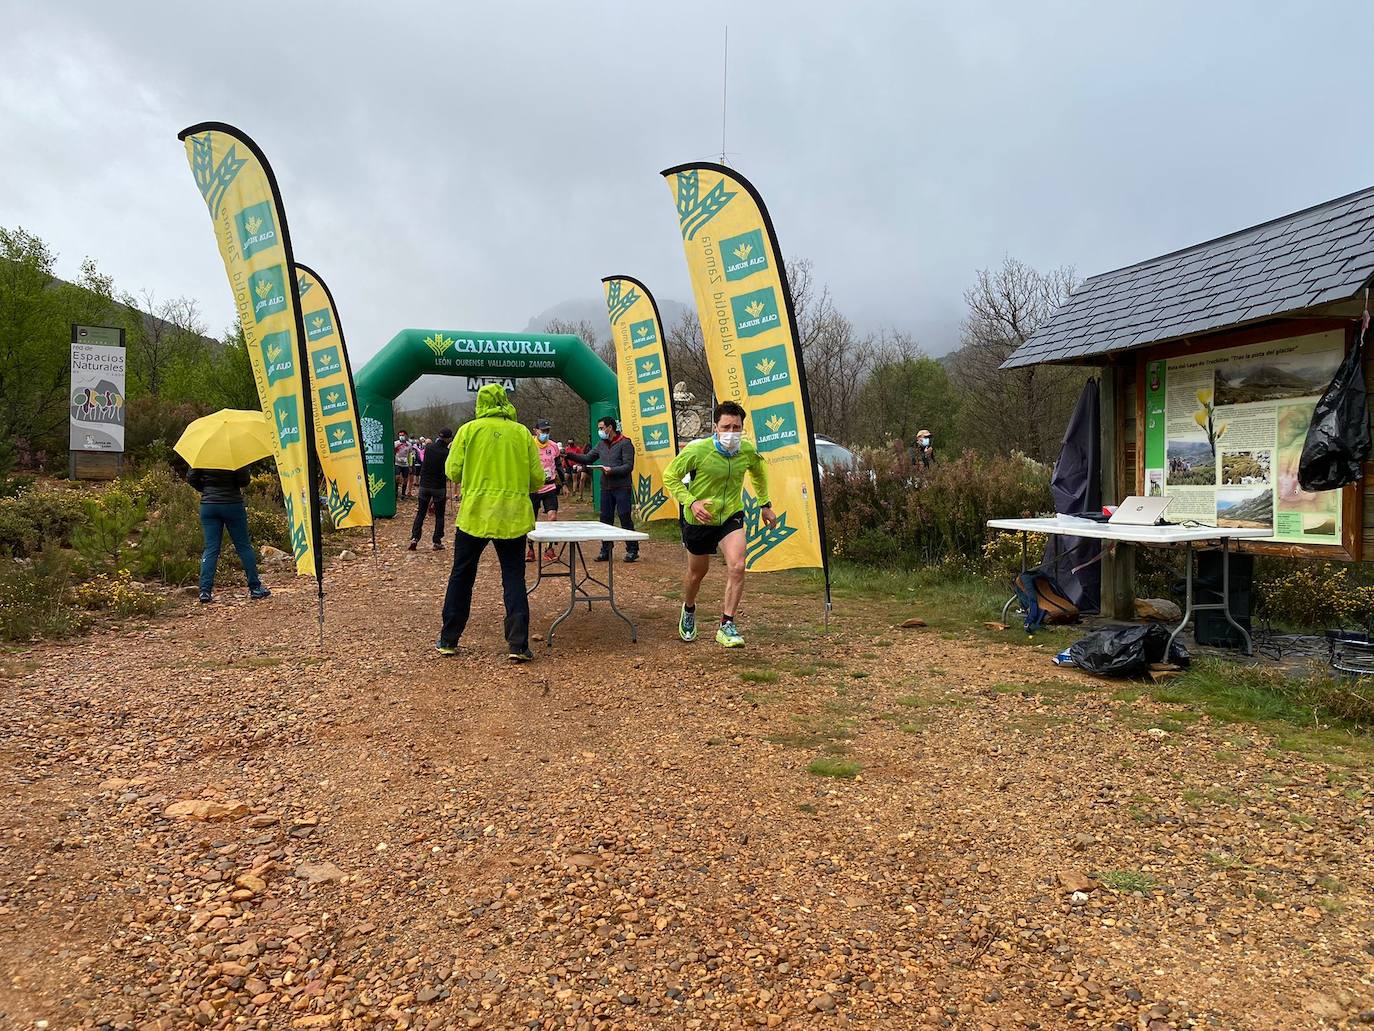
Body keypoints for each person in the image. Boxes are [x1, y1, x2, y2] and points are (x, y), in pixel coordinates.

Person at [436, 384, 545, 662]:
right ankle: (518, 645)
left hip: (475, 514)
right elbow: (537, 479)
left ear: (480, 404)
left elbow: (453, 471)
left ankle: (449, 639)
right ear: (505, 402)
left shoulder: (468, 430)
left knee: (461, 575)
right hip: (513, 517)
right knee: (513, 577)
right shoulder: (521, 433)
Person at [662, 401, 775, 648]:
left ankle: (727, 624)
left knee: (738, 565)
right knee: (697, 573)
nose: (731, 433)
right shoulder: (698, 450)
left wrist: (765, 504)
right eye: (726, 427)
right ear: (716, 427)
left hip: (730, 516)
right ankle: (689, 609)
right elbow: (669, 476)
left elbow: (758, 471)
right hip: (699, 519)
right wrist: (691, 502)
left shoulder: (746, 450)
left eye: (737, 427)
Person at [187, 464, 272, 605]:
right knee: (243, 546)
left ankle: (205, 591)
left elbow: (191, 478)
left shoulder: (202, 451)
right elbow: (244, 480)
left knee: (211, 548)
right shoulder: (235, 452)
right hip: (233, 503)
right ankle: (255, 588)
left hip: (208, 505)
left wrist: (207, 489)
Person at [563, 415, 638, 562]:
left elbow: (629, 466)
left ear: (610, 428)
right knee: (605, 519)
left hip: (622, 486)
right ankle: (606, 550)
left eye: (601, 428)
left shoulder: (625, 443)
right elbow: (587, 458)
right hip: (606, 486)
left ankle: (632, 549)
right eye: (599, 428)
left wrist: (612, 470)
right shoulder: (601, 444)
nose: (600, 431)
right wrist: (569, 455)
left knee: (624, 517)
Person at [409, 427, 454, 551]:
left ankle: (414, 538)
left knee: (421, 513)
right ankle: (437, 541)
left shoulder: (429, 448)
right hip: (439, 486)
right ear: (448, 438)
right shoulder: (446, 452)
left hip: (424, 485)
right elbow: (448, 469)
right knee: (439, 515)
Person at [527, 419, 563, 563]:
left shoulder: (553, 446)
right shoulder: (528, 444)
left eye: (548, 431)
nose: (545, 434)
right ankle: (530, 549)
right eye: (543, 431)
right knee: (531, 521)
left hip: (550, 487)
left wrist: (564, 484)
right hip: (533, 488)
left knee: (552, 518)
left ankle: (549, 549)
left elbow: (559, 465)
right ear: (535, 431)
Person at [394, 430, 417, 500]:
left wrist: (410, 465)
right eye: (400, 435)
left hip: (405, 464)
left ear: (406, 436)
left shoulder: (409, 445)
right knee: (397, 477)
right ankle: (396, 492)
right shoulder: (395, 443)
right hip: (397, 463)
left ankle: (403, 494)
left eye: (403, 435)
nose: (401, 436)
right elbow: (393, 452)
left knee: (405, 480)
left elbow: (410, 455)